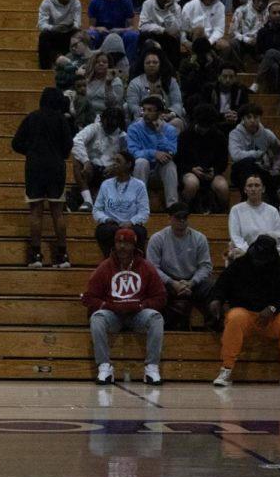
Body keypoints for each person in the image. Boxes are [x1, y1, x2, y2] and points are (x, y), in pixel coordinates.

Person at [209, 234, 280, 387]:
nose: (259, 261)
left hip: (272, 319)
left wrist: (273, 308)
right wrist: (216, 300)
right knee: (234, 316)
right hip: (246, 316)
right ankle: (227, 368)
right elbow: (221, 286)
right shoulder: (238, 265)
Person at [82, 226, 167, 385]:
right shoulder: (105, 267)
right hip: (113, 314)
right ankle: (104, 366)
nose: (121, 246)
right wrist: (108, 306)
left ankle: (152, 367)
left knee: (156, 318)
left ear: (134, 245)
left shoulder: (147, 267)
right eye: (118, 242)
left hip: (138, 314)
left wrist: (142, 306)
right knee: (97, 318)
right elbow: (89, 297)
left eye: (126, 243)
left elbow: (160, 297)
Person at [13, 88, 72, 269]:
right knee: (57, 212)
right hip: (55, 166)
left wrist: (31, 151)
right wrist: (57, 154)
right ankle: (62, 255)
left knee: (36, 212)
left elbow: (16, 143)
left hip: (35, 167)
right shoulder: (62, 119)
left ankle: (36, 255)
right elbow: (68, 145)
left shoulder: (32, 117)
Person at [147, 202, 213, 330]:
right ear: (169, 218)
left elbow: (205, 266)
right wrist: (171, 282)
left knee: (212, 288)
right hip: (166, 280)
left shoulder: (200, 239)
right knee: (152, 289)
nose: (182, 220)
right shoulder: (157, 239)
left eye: (185, 217)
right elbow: (152, 267)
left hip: (193, 280)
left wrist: (191, 282)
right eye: (178, 217)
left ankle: (212, 327)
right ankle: (161, 326)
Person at [127, 95, 179, 209]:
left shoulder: (169, 130)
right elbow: (133, 152)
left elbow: (171, 151)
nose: (145, 113)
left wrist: (159, 134)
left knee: (169, 164)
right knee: (141, 162)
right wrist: (153, 153)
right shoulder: (134, 128)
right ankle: (138, 204)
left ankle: (173, 206)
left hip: (160, 171)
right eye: (144, 110)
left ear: (160, 113)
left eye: (150, 110)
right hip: (140, 170)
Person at [93, 150, 149, 255]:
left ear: (128, 164)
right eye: (114, 161)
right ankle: (109, 260)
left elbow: (144, 212)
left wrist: (131, 222)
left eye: (118, 161)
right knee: (104, 231)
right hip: (111, 224)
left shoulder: (139, 185)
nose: (114, 164)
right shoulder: (106, 184)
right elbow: (97, 209)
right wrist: (106, 219)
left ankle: (137, 261)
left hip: (132, 224)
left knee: (140, 232)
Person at [72, 106, 127, 211]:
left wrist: (115, 166)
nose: (109, 128)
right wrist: (86, 161)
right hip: (90, 169)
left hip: (110, 172)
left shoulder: (123, 136)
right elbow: (76, 141)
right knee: (77, 161)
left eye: (113, 126)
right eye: (107, 124)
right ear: (102, 120)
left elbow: (127, 157)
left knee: (122, 167)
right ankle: (87, 200)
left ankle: (105, 199)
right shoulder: (93, 128)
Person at [177, 103, 228, 213]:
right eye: (201, 126)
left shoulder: (219, 136)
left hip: (212, 172)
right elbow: (179, 160)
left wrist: (214, 171)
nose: (204, 130)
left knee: (222, 187)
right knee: (191, 184)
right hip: (189, 171)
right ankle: (183, 210)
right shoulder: (185, 136)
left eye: (207, 127)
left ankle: (223, 213)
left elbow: (223, 161)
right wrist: (192, 169)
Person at [228, 172, 280, 262]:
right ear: (245, 189)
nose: (253, 189)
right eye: (250, 186)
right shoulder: (236, 210)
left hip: (268, 252)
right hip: (245, 252)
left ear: (263, 189)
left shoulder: (272, 211)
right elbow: (235, 236)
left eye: (257, 185)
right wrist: (251, 251)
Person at [87, 0, 140, 66]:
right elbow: (91, 26)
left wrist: (120, 30)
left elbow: (132, 27)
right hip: (101, 34)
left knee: (132, 36)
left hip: (121, 34)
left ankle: (128, 66)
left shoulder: (126, 1)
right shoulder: (94, 2)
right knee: (91, 34)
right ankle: (91, 64)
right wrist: (98, 29)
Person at [38, 0, 82, 70]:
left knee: (79, 34)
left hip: (68, 32)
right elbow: (41, 24)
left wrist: (69, 27)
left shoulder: (76, 3)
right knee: (43, 35)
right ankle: (45, 68)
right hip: (53, 33)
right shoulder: (46, 3)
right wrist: (53, 28)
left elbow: (77, 23)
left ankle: (78, 64)